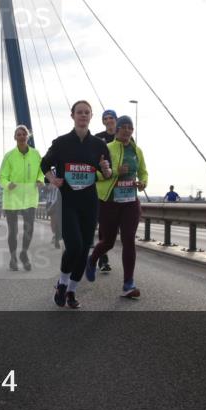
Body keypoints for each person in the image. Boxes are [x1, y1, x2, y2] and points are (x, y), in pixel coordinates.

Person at [41, 100, 112, 309]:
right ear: (72, 116)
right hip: (67, 202)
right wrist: (52, 179)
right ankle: (62, 284)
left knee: (84, 250)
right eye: (79, 112)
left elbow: (107, 174)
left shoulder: (99, 145)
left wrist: (106, 169)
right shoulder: (61, 142)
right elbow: (44, 164)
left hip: (89, 203)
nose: (83, 115)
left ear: (91, 117)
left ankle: (72, 291)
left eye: (86, 113)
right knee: (74, 246)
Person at [86, 115, 148, 298]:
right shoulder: (106, 148)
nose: (127, 130)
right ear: (117, 129)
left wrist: (143, 183)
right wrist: (114, 173)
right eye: (124, 127)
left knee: (129, 240)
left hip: (130, 202)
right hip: (109, 202)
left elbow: (143, 172)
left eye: (130, 127)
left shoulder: (137, 151)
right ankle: (92, 259)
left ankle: (128, 283)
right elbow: (96, 174)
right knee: (109, 242)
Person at [0, 125, 43, 271]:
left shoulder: (36, 154)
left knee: (29, 228)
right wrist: (7, 184)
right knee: (13, 231)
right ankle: (13, 257)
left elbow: (41, 172)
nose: (21, 136)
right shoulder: (9, 156)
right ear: (15, 137)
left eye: (24, 134)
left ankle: (23, 253)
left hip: (30, 197)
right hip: (12, 198)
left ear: (27, 137)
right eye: (19, 134)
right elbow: (2, 177)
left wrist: (40, 180)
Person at [94, 109, 118, 272]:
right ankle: (103, 259)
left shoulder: (125, 136)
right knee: (103, 225)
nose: (109, 120)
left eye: (111, 118)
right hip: (103, 189)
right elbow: (93, 163)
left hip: (121, 190)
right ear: (103, 121)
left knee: (113, 228)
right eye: (106, 118)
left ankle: (98, 254)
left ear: (116, 120)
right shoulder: (97, 138)